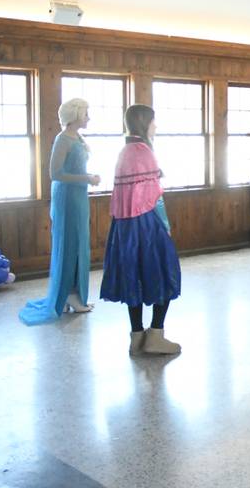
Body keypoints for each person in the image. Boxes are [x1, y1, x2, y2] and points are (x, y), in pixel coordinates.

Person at [100, 105, 182, 356]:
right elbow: (154, 198)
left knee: (133, 277)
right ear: (144, 123)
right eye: (154, 121)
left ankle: (136, 337)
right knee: (164, 274)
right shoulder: (143, 151)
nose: (156, 125)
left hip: (124, 226)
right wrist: (165, 226)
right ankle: (156, 334)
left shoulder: (125, 151)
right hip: (146, 225)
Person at [19, 99, 101, 326]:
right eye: (85, 113)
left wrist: (87, 177)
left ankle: (73, 293)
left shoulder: (78, 138)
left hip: (78, 196)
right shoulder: (62, 139)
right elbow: (55, 174)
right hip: (67, 198)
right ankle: (67, 294)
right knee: (69, 244)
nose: (88, 117)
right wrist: (87, 178)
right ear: (74, 115)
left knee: (79, 244)